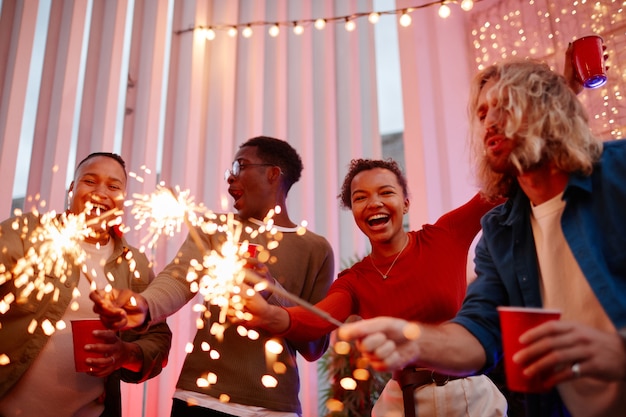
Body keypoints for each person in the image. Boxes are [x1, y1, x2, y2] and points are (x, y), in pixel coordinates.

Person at [338, 59, 626, 417]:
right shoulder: (500, 233)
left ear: (549, 108)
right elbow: (477, 334)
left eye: (504, 106)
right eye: (482, 113)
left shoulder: (619, 173)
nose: (489, 122)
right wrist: (410, 338)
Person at [239, 158, 507, 416]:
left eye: (385, 192)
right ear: (353, 212)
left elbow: (498, 190)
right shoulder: (354, 280)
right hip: (405, 400)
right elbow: (317, 319)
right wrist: (268, 306)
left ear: (405, 204)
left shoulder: (444, 237)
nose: (373, 203)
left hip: (470, 395)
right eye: (360, 197)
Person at [91, 136, 335, 417]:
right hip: (199, 399)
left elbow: (315, 346)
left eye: (239, 166)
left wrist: (273, 293)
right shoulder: (213, 228)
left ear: (272, 174)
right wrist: (144, 305)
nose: (230, 178)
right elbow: (178, 278)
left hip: (275, 409)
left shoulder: (316, 250)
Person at [0, 152, 172, 417]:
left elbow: (158, 339)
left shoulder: (134, 264)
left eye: (113, 186)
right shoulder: (25, 234)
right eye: (90, 181)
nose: (101, 192)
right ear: (72, 189)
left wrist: (126, 353)